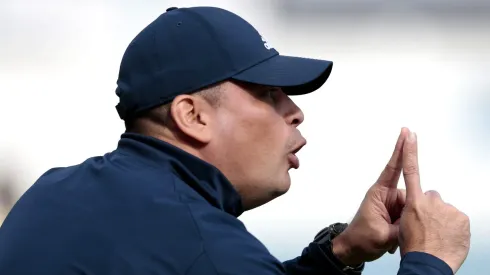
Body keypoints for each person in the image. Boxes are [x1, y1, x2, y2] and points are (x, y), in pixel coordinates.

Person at [0, 6, 470, 275]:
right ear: (192, 115)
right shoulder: (201, 242)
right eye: (267, 93)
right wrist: (430, 258)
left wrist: (340, 253)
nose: (294, 110)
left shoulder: (53, 190)